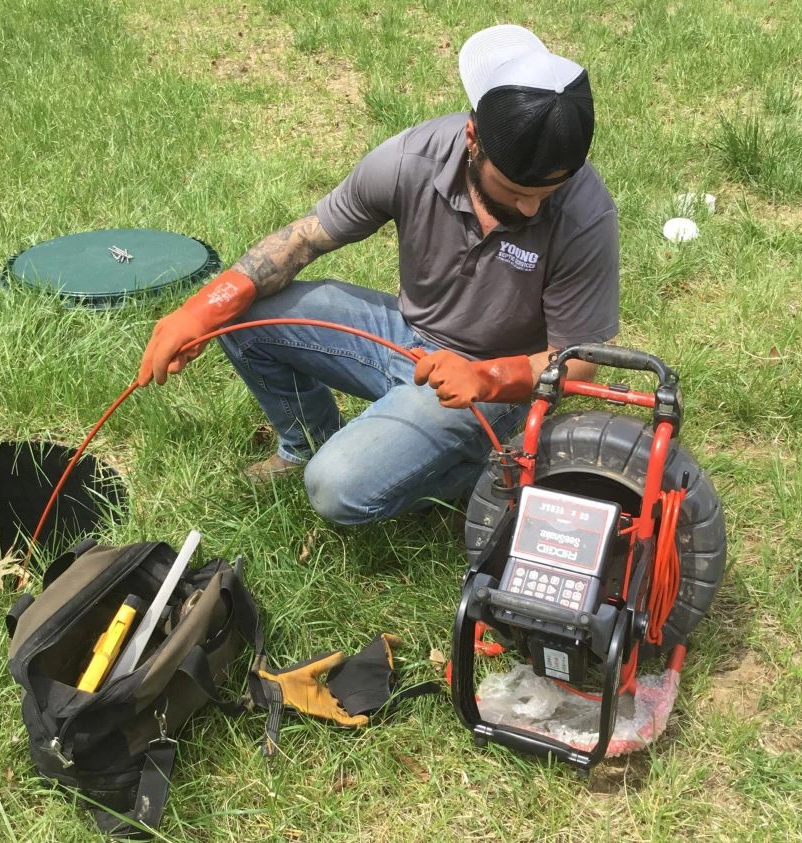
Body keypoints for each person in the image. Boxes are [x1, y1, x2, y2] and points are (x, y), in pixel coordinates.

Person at [137, 24, 619, 526]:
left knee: (337, 488)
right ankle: (307, 442)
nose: (530, 206)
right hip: (404, 335)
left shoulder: (585, 216)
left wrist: (485, 377)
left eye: (546, 193)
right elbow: (304, 239)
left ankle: (483, 467)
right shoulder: (412, 158)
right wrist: (204, 307)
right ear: (472, 139)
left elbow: (577, 365)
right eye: (514, 190)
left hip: (496, 382)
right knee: (241, 312)